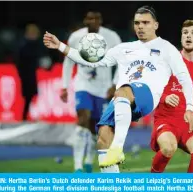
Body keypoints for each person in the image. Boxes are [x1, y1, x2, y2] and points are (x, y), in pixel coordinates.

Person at [43, 5, 193, 171]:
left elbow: (185, 78)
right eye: (137, 23)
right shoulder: (124, 48)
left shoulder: (167, 48)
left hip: (147, 95)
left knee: (123, 90)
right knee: (103, 135)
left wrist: (190, 107)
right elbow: (91, 61)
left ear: (156, 25)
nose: (141, 26)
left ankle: (117, 148)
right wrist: (60, 46)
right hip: (122, 99)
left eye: (146, 22)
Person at [150, 20, 193, 173]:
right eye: (185, 33)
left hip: (192, 126)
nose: (188, 36)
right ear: (181, 38)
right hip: (167, 120)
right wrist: (164, 97)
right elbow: (151, 87)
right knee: (168, 148)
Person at [61, 10, 122, 173]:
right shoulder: (76, 37)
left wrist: (115, 84)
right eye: (90, 18)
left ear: (101, 21)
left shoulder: (112, 37)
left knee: (96, 128)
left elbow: (124, 61)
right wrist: (65, 86)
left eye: (96, 18)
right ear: (85, 20)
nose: (93, 21)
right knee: (83, 119)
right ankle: (78, 167)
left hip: (103, 89)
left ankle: (88, 162)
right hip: (83, 85)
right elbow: (68, 62)